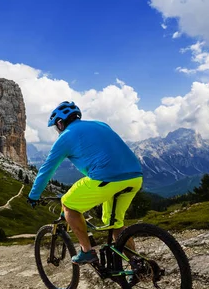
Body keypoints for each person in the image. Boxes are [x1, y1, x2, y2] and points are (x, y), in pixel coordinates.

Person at [27, 101, 143, 265]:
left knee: (67, 203)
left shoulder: (65, 136)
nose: (57, 130)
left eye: (56, 126)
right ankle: (138, 265)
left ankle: (87, 251)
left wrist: (34, 195)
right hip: (135, 176)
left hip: (105, 178)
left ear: (60, 123)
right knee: (114, 223)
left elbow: (47, 169)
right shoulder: (101, 124)